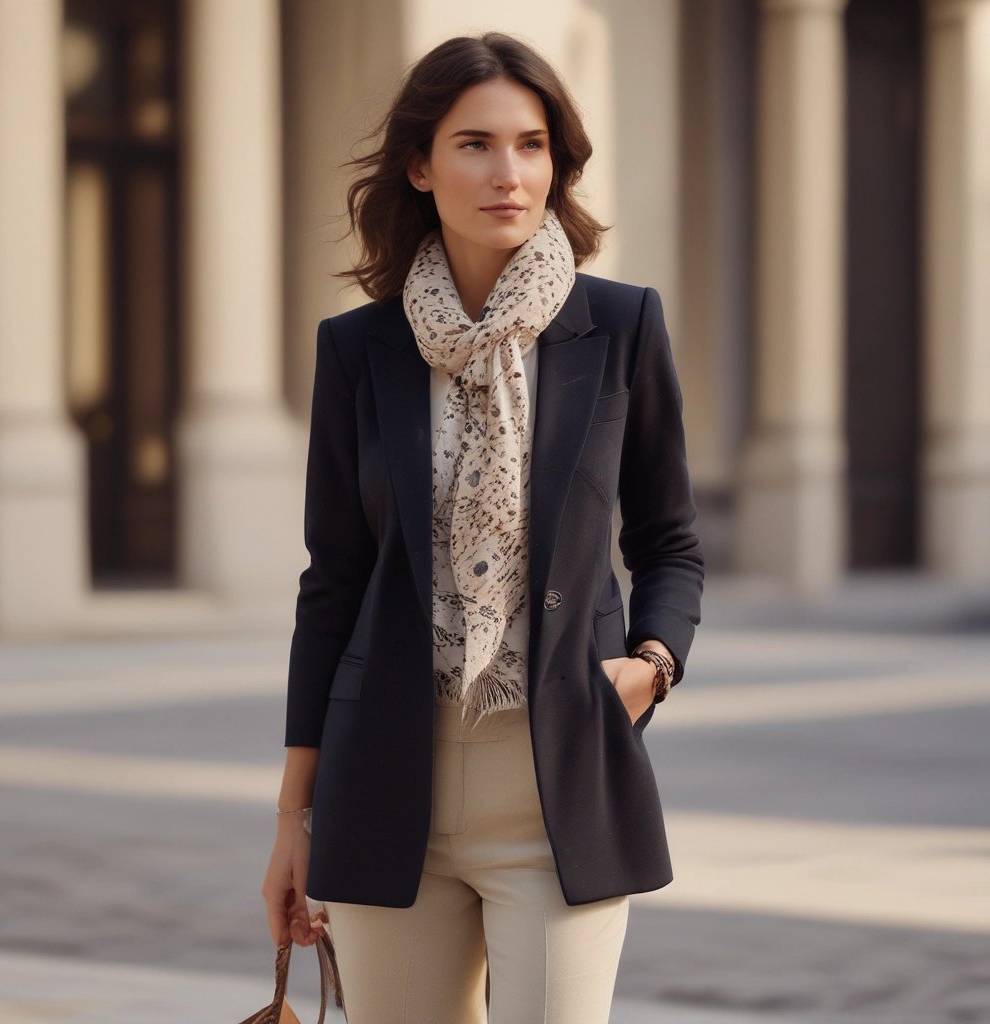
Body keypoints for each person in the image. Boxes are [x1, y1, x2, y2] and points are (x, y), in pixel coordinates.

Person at [261, 31, 704, 1024]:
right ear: (420, 165)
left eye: (532, 144)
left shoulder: (618, 328)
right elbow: (332, 581)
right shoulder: (359, 350)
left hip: (558, 779)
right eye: (474, 144)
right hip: (385, 785)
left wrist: (652, 663)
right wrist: (294, 816)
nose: (509, 172)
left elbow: (669, 537)